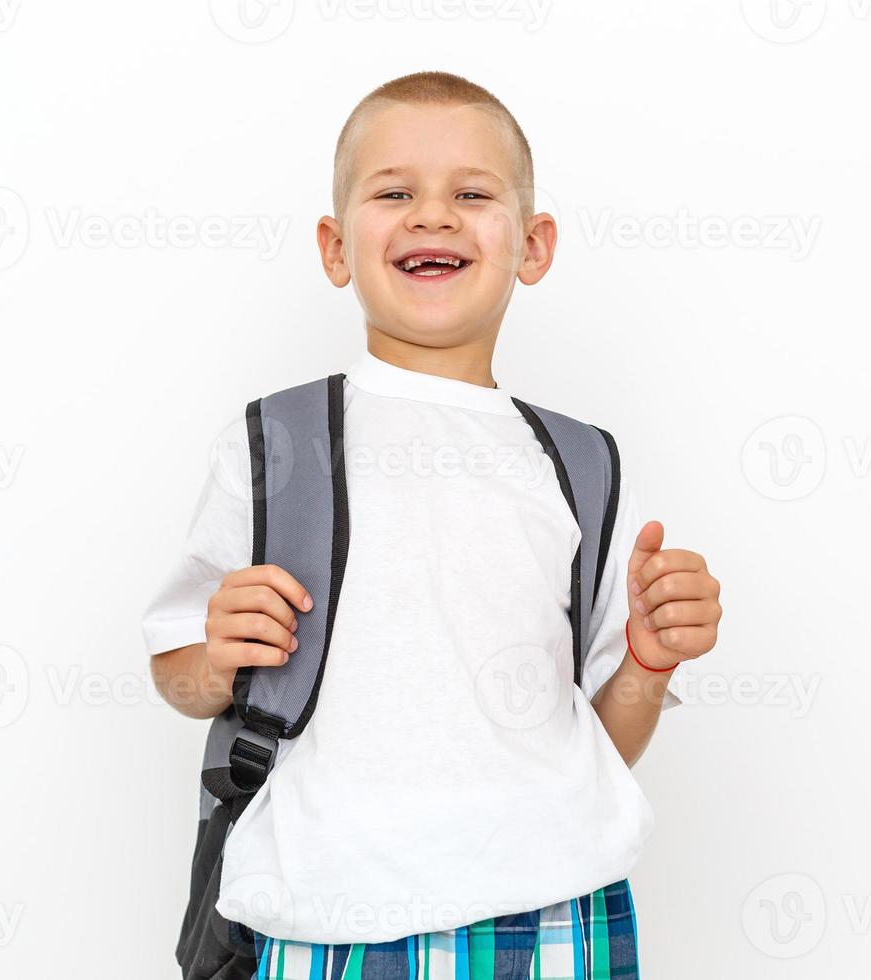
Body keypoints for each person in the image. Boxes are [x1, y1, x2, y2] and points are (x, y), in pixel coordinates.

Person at [141, 70, 723, 977]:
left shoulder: (585, 463)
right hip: (322, 915)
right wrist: (215, 657)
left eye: (472, 193)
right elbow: (178, 681)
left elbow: (604, 742)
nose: (434, 216)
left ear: (534, 245)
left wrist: (648, 661)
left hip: (557, 908)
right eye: (396, 192)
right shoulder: (276, 443)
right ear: (336, 248)